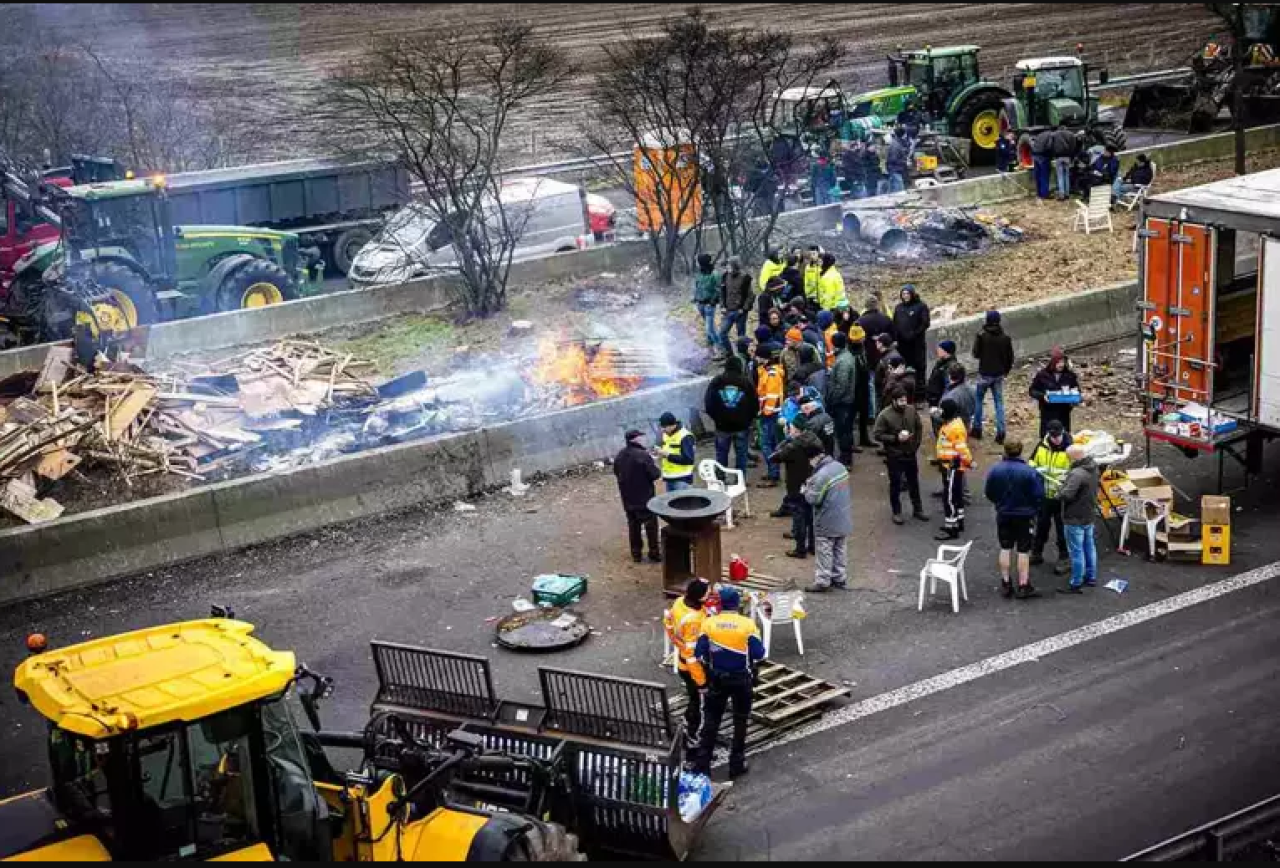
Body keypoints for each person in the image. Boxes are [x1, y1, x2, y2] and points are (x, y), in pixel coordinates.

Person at [692, 585, 764, 779]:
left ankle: (702, 765)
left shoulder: (709, 624)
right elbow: (759, 653)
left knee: (711, 720)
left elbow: (699, 653)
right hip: (741, 679)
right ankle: (736, 763)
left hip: (717, 678)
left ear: (721, 604)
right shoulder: (747, 625)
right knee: (740, 720)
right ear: (738, 604)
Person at [983, 439, 1045, 599]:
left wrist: (999, 503)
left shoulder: (996, 470)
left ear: (1005, 450)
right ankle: (1023, 585)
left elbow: (989, 492)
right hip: (1024, 516)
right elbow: (1038, 494)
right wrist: (1033, 508)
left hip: (1004, 513)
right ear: (1020, 451)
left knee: (1005, 548)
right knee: (1023, 551)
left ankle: (1006, 583)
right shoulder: (1029, 471)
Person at [663, 578, 709, 749]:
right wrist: (702, 682)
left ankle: (687, 724)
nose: (709, 593)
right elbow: (692, 656)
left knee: (693, 699)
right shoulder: (694, 620)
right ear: (700, 597)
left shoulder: (680, 602)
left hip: (683, 662)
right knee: (699, 703)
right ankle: (693, 736)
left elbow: (669, 623)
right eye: (707, 592)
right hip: (692, 667)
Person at [874, 385, 928, 525]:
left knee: (913, 483)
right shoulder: (885, 415)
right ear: (894, 401)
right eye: (901, 401)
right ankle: (896, 512)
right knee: (896, 484)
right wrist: (895, 438)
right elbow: (878, 435)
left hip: (910, 453)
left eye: (905, 400)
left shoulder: (911, 410)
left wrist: (916, 444)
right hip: (895, 455)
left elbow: (918, 427)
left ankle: (918, 509)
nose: (904, 403)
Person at [803, 439, 852, 592]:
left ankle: (823, 580)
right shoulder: (839, 467)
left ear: (813, 457)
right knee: (840, 548)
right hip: (843, 516)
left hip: (826, 520)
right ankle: (840, 577)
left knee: (824, 550)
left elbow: (813, 499)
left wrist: (806, 489)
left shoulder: (821, 475)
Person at [1029, 420, 1073, 575]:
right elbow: (1031, 462)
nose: (1055, 439)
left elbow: (1074, 473)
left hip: (1061, 497)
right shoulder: (1042, 445)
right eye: (1052, 436)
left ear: (1063, 432)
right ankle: (1036, 553)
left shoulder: (1070, 449)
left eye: (1058, 436)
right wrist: (1036, 470)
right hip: (1044, 495)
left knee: (1062, 530)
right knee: (1041, 526)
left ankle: (1064, 558)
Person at [705, 355, 758, 477]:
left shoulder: (717, 381)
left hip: (722, 427)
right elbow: (754, 404)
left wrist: (717, 419)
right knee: (741, 455)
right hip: (741, 426)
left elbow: (708, 404)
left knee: (721, 454)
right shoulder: (746, 382)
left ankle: (720, 478)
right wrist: (748, 420)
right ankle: (740, 479)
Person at [1057, 444, 1100, 595]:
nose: (1068, 460)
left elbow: (1067, 495)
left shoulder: (1076, 474)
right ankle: (1091, 576)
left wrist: (1059, 491)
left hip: (1074, 517)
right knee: (1089, 547)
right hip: (1088, 515)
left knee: (1076, 551)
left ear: (1074, 457)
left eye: (1069, 458)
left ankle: (1076, 582)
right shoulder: (1094, 468)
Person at [774, 422, 822, 558]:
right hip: (812, 481)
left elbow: (775, 456)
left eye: (791, 428)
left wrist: (787, 438)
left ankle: (800, 549)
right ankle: (813, 546)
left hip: (796, 484)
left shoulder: (792, 446)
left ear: (796, 430)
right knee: (812, 516)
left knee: (799, 517)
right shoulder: (814, 440)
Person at [613, 430, 661, 563]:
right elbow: (655, 474)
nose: (644, 439)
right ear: (636, 439)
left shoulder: (620, 455)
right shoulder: (643, 455)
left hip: (628, 499)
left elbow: (617, 473)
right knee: (651, 526)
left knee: (633, 527)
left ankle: (636, 554)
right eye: (642, 437)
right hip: (645, 499)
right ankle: (654, 553)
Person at [971, 309, 1014, 443]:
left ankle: (977, 429)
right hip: (998, 374)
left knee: (978, 401)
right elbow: (1010, 358)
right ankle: (1001, 432)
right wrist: (1005, 371)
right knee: (999, 403)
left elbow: (976, 354)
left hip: (984, 373)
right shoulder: (1005, 338)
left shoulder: (981, 336)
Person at [934, 398, 973, 541]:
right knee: (956, 495)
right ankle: (959, 521)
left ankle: (951, 528)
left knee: (949, 498)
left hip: (952, 467)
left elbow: (962, 449)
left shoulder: (953, 428)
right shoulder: (953, 424)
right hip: (952, 466)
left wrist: (970, 461)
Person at [1029, 346, 1081, 438]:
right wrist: (1042, 396)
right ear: (1053, 362)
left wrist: (1075, 398)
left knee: (1063, 438)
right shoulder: (1042, 375)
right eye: (1058, 362)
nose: (1061, 365)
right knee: (1047, 438)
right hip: (1048, 412)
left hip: (1064, 412)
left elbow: (1077, 391)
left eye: (1063, 362)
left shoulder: (1069, 375)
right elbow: (1032, 391)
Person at [755, 344, 786, 487]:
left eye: (758, 356)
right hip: (772, 413)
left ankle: (773, 475)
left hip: (770, 415)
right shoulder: (768, 371)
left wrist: (764, 412)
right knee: (771, 444)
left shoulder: (771, 374)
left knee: (767, 445)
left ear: (764, 358)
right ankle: (773, 472)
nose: (756, 358)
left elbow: (771, 396)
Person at [892, 285, 931, 397]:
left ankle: (920, 394)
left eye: (907, 294)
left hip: (916, 344)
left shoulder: (921, 306)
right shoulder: (899, 308)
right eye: (903, 294)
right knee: (903, 369)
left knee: (919, 368)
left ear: (912, 294)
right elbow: (895, 323)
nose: (905, 296)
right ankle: (906, 394)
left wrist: (914, 334)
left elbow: (925, 323)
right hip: (902, 345)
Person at [827, 331, 858, 464]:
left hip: (842, 403)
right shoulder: (845, 357)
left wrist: (832, 400)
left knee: (843, 431)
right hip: (846, 401)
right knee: (845, 430)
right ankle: (846, 457)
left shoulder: (843, 361)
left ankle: (846, 459)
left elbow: (841, 386)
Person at [718, 256, 754, 354]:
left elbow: (750, 296)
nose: (727, 267)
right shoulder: (725, 276)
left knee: (741, 336)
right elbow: (721, 293)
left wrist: (744, 309)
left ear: (735, 266)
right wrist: (722, 306)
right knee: (722, 333)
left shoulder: (745, 278)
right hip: (728, 311)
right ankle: (729, 353)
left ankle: (742, 356)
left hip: (740, 312)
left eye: (729, 265)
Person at [657, 411, 696, 492]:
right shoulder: (666, 434)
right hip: (669, 478)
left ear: (672, 425)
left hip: (682, 479)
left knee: (684, 504)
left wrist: (667, 455)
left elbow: (689, 460)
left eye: (664, 427)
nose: (662, 429)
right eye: (662, 427)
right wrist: (660, 454)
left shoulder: (685, 436)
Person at [692, 253, 719, 349]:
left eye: (698, 262)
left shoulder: (714, 274)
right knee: (709, 326)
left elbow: (718, 289)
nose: (697, 264)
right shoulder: (699, 273)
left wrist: (713, 301)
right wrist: (695, 298)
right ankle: (710, 343)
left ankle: (721, 348)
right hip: (700, 304)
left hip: (709, 305)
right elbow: (697, 286)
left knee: (709, 329)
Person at [925, 340, 957, 419]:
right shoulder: (940, 362)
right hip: (933, 398)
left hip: (938, 400)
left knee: (938, 420)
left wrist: (941, 402)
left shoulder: (949, 367)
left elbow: (948, 387)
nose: (937, 350)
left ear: (946, 352)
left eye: (940, 349)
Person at [941, 364, 976, 432]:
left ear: (950, 376)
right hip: (967, 422)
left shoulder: (950, 396)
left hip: (954, 426)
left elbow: (944, 416)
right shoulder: (973, 389)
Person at [1050, 123, 1076, 200]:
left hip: (1059, 157)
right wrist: (1071, 155)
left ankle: (1062, 195)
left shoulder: (1054, 134)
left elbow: (1052, 145)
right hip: (1067, 157)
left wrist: (1054, 154)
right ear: (1065, 128)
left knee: (1060, 176)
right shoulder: (1071, 134)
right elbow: (1073, 146)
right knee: (1066, 176)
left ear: (1059, 128)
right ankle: (1067, 194)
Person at [885, 126, 912, 194]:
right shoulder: (895, 145)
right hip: (895, 170)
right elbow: (893, 160)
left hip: (897, 170)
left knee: (894, 190)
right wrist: (905, 162)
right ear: (903, 135)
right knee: (899, 192)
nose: (906, 135)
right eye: (905, 134)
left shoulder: (898, 142)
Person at [1031, 127, 1054, 200]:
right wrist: (1051, 155)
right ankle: (1045, 194)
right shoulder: (1051, 135)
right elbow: (1049, 146)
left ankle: (1039, 193)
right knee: (1045, 175)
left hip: (1035, 156)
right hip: (1043, 156)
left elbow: (1033, 145)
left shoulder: (1039, 135)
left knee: (1038, 175)